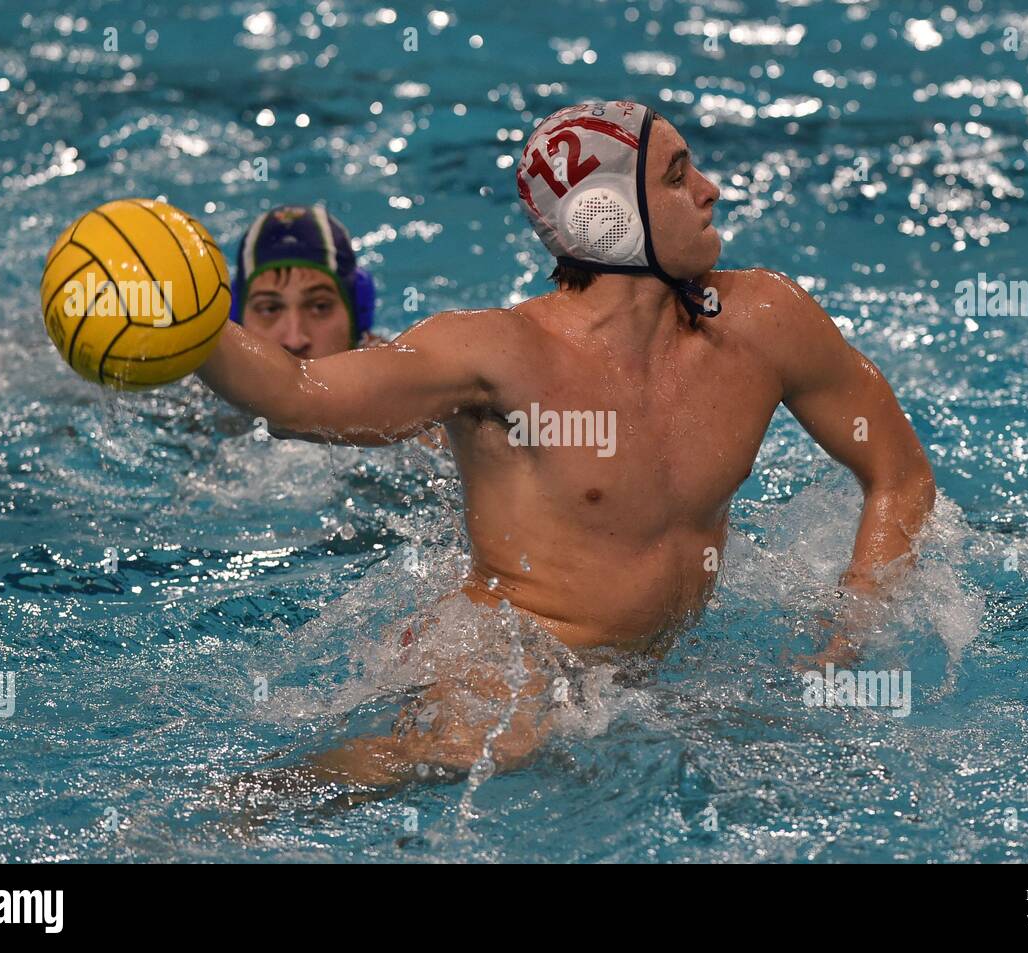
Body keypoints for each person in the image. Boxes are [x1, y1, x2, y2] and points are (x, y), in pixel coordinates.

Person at [199, 101, 936, 795]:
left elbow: (898, 474)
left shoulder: (766, 323)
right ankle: (236, 813)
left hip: (651, 674)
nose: (711, 190)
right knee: (471, 749)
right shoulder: (498, 355)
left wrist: (851, 628)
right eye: (678, 176)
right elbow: (297, 396)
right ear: (607, 216)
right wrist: (188, 328)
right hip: (507, 662)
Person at [229, 204, 380, 358]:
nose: (294, 342)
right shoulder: (207, 376)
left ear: (357, 315)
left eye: (320, 306)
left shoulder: (398, 376)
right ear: (237, 319)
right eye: (270, 309)